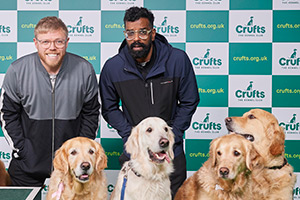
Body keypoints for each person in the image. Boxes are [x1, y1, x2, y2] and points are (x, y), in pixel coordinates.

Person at [99, 7, 199, 198]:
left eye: (142, 32)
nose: (136, 38)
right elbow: (109, 108)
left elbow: (189, 101)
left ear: (153, 33)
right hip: (135, 157)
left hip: (172, 155)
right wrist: (131, 136)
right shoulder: (113, 67)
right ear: (125, 34)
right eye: (130, 33)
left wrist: (173, 135)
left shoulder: (177, 60)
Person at [0, 16, 100, 186]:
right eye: (45, 42)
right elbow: (7, 114)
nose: (52, 47)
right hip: (27, 168)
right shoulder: (17, 70)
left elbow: (91, 113)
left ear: (67, 42)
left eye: (58, 41)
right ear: (35, 42)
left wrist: (79, 152)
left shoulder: (84, 69)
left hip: (71, 168)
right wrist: (22, 150)